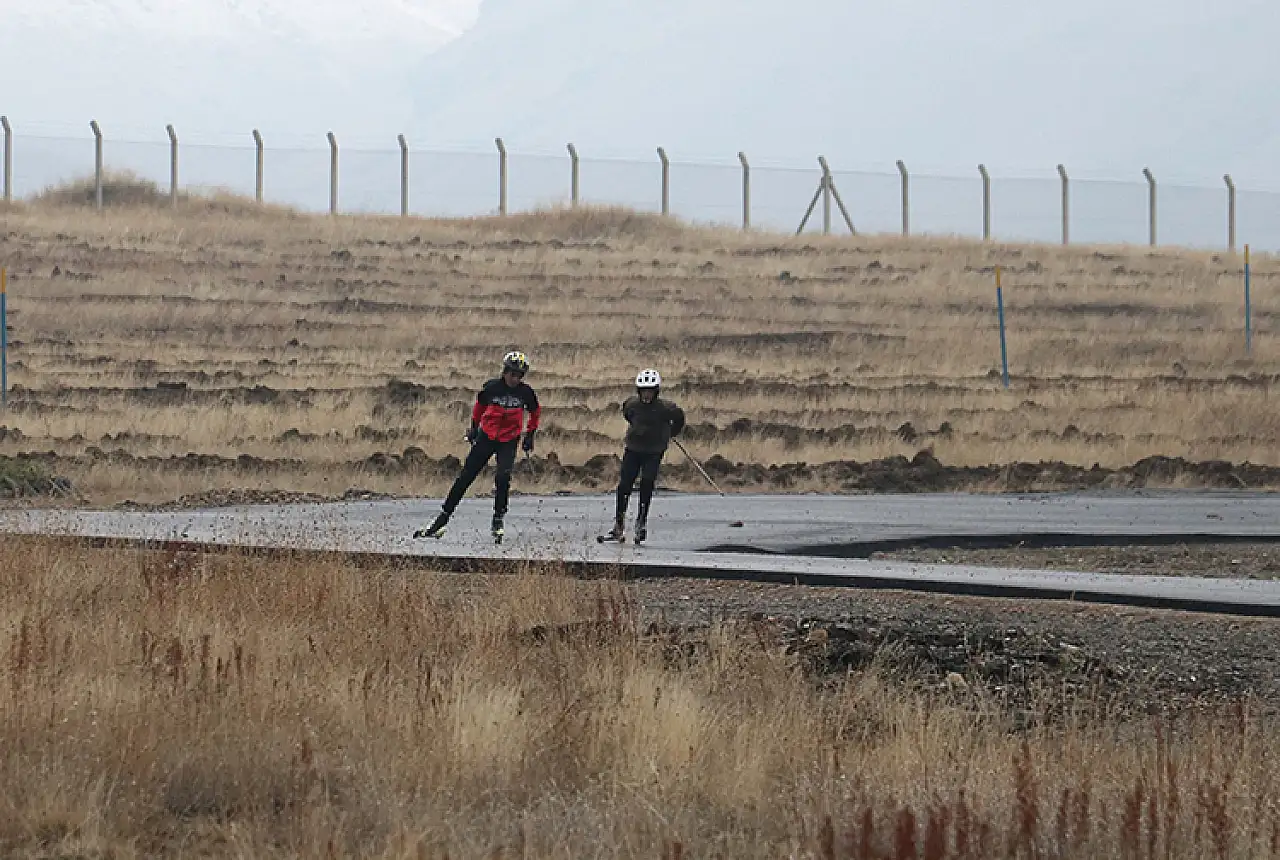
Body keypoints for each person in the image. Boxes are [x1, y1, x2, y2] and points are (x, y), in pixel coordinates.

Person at [415, 351, 540, 541]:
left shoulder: (526, 393)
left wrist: (530, 434)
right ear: (505, 372)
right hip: (487, 437)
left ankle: (498, 519)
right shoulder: (491, 388)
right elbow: (479, 408)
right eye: (512, 374)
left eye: (519, 376)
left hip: (509, 440)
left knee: (503, 477)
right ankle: (442, 519)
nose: (515, 379)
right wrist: (474, 428)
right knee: (466, 476)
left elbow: (535, 412)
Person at [603, 368, 685, 544]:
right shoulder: (631, 405)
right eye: (643, 391)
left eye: (650, 391)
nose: (646, 395)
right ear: (638, 391)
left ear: (656, 392)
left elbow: (679, 419)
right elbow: (628, 415)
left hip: (654, 451)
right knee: (624, 485)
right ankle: (619, 526)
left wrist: (670, 433)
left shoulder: (666, 408)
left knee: (647, 483)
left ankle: (641, 523)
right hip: (633, 449)